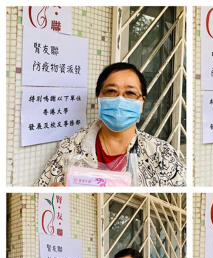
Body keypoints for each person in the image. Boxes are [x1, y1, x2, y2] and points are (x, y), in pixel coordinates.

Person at [34, 63, 186, 187]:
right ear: (99, 98)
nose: (120, 99)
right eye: (111, 91)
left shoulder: (161, 153)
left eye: (130, 93)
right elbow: (43, 187)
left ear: (142, 103)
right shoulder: (70, 147)